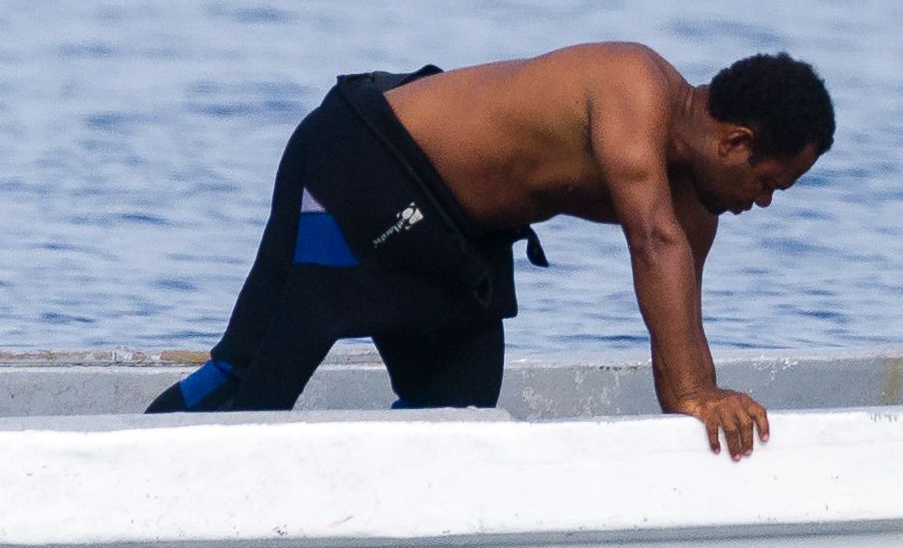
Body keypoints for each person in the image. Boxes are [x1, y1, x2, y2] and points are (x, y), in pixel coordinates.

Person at [153, 43, 832, 457]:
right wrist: (698, 393)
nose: (764, 203)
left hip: (454, 231)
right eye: (768, 183)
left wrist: (696, 410)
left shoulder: (693, 212)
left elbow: (676, 343)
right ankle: (131, 456)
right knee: (255, 383)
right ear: (735, 142)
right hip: (364, 158)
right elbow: (650, 245)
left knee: (458, 418)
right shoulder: (634, 89)